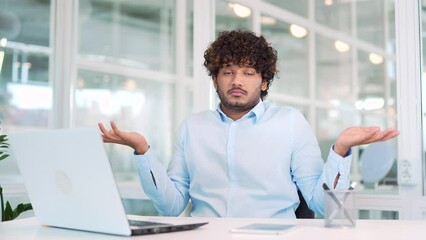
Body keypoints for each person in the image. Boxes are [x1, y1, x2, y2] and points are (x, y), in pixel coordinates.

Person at [98, 30, 399, 218]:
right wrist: (142, 151)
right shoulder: (192, 127)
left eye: (248, 72)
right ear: (214, 79)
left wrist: (341, 150)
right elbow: (171, 206)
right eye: (227, 72)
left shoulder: (291, 123)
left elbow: (322, 206)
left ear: (264, 81)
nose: (237, 81)